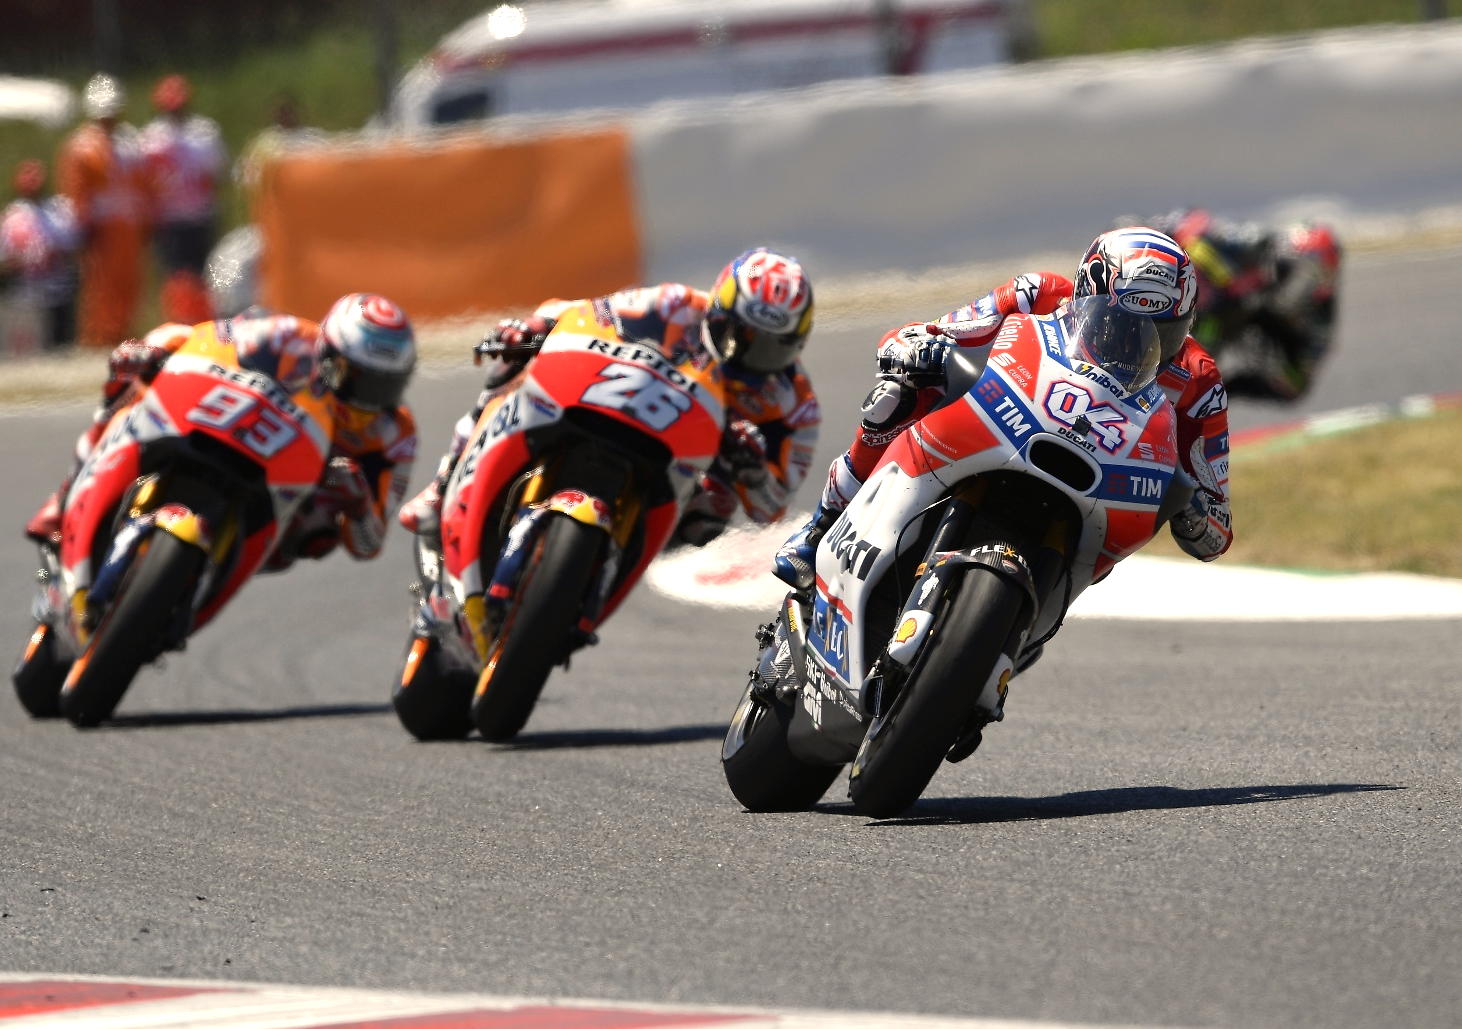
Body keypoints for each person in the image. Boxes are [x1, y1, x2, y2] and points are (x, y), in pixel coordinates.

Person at [773, 226, 1233, 593]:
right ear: (1084, 297)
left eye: (1162, 335)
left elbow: (1218, 528)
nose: (1139, 346)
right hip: (1002, 426)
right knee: (897, 394)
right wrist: (917, 349)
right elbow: (933, 332)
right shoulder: (1038, 294)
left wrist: (1193, 509)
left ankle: (1022, 622)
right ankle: (823, 524)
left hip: (1098, 491)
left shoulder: (1198, 380)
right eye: (1122, 326)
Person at [398, 247, 820, 547]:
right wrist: (533, 327)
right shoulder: (674, 304)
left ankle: (615, 556)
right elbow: (588, 313)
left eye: (771, 347)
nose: (745, 356)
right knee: (518, 364)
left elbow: (772, 508)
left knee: (715, 506)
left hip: (682, 470)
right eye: (737, 336)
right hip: (620, 401)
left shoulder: (796, 405)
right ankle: (444, 483)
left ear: (796, 344)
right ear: (716, 311)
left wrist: (753, 472)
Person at [24, 294, 418, 576]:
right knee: (142, 368)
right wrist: (151, 351)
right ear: (327, 355)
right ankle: (66, 494)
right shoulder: (288, 337)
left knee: (320, 529)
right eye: (357, 378)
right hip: (229, 425)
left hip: (283, 516)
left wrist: (358, 503)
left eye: (386, 385)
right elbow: (210, 337)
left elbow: (370, 544)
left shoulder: (394, 434)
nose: (369, 399)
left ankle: (203, 574)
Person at [1149, 207, 1341, 400]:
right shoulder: (1257, 242)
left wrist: (1230, 387)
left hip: (1227, 319)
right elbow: (1195, 231)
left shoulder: (1319, 317)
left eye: (1311, 275)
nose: (1300, 283)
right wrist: (1228, 281)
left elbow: (1297, 382)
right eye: (1295, 270)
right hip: (1205, 299)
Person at [56, 73, 152, 347]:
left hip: (129, 224)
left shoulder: (129, 141)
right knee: (99, 284)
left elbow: (143, 185)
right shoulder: (81, 145)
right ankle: (98, 336)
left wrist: (147, 219)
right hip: (100, 225)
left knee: (129, 281)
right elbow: (75, 189)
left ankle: (124, 333)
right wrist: (82, 225)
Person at [141, 74, 227, 324]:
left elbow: (217, 172)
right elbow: (145, 181)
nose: (175, 110)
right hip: (169, 218)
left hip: (201, 214)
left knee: (204, 273)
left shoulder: (204, 132)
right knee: (174, 275)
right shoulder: (151, 137)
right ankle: (178, 322)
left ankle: (204, 322)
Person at [0, 159, 80, 349]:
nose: (32, 181)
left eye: (36, 175)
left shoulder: (59, 211)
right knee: (29, 349)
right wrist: (24, 261)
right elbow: (4, 260)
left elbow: (74, 249)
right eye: (27, 175)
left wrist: (52, 255)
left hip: (58, 294)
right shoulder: (12, 216)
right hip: (25, 298)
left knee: (61, 348)